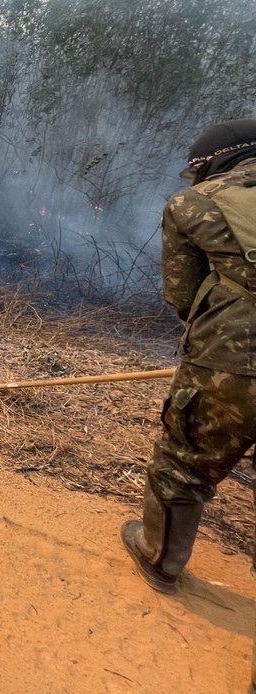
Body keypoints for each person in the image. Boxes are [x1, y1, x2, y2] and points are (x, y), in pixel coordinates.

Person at [122, 118, 256, 594]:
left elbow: (182, 294)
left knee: (185, 462)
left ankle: (160, 558)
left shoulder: (195, 203)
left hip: (234, 362)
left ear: (214, 162)